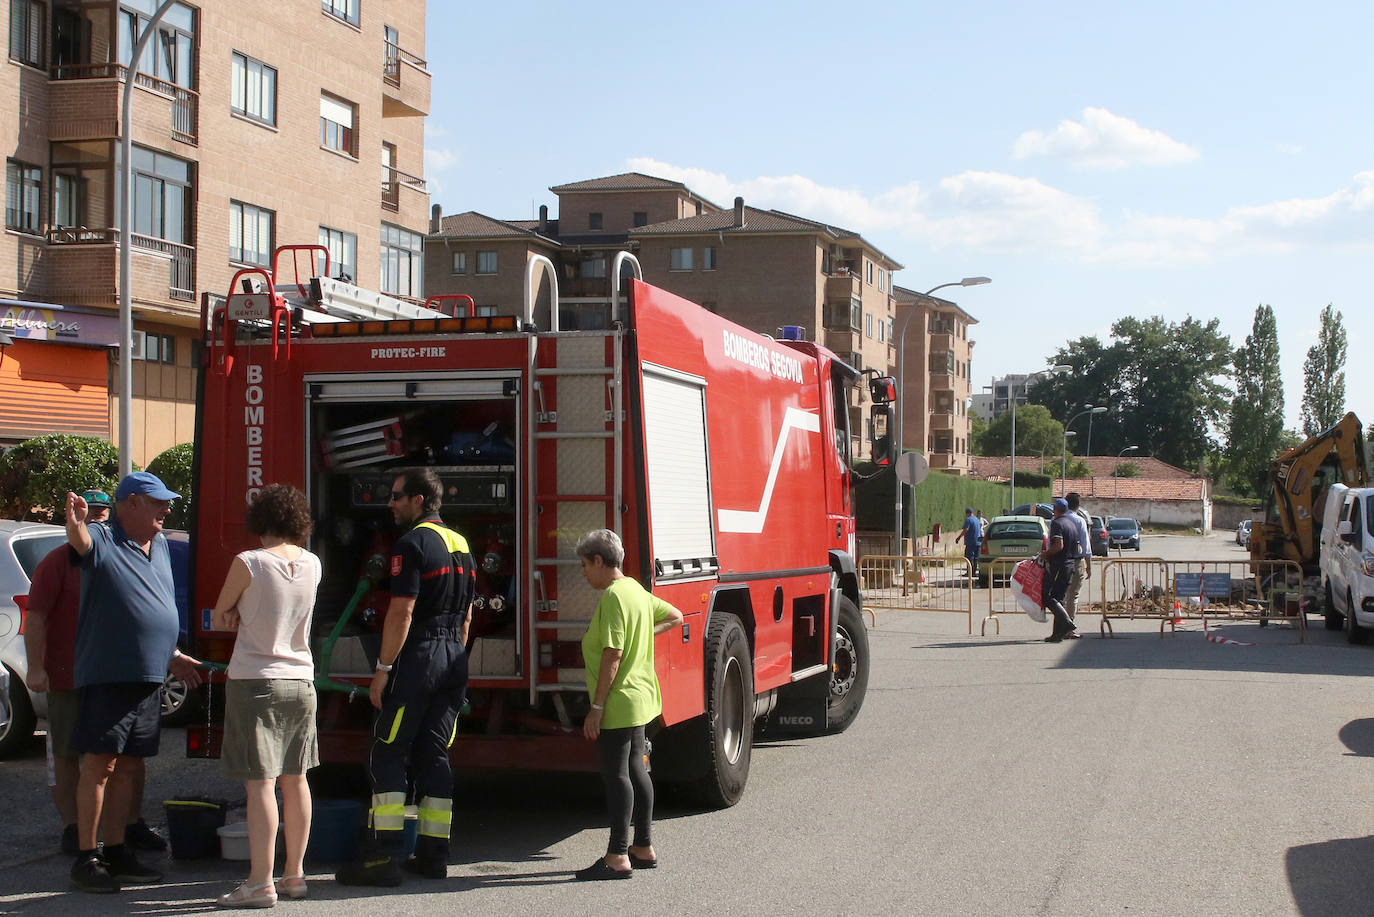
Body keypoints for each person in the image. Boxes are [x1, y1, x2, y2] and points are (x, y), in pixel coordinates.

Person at [64, 473, 204, 894]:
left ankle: (119, 850)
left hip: (149, 675)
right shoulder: (103, 538)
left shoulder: (158, 544)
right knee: (100, 765)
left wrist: (172, 655)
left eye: (166, 502)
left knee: (130, 765)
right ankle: (87, 858)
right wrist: (76, 522)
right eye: (157, 501)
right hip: (109, 674)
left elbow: (152, 605)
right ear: (129, 504)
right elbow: (80, 543)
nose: (166, 509)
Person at [337, 468, 474, 887]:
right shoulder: (461, 543)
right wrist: (456, 656)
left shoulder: (411, 543)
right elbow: (468, 614)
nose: (390, 503)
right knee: (434, 755)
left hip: (418, 657)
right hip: (453, 657)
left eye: (397, 497)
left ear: (419, 500)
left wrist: (381, 671)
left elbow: (402, 611)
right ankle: (433, 856)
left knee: (389, 751)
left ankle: (381, 857)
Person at [24, 490, 167, 858]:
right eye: (94, 514)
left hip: (121, 673)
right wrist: (37, 667)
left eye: (103, 512)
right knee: (74, 755)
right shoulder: (60, 561)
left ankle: (128, 827)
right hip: (70, 673)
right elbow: (36, 616)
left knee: (127, 759)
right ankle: (75, 830)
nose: (99, 520)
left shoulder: (130, 553)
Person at [210, 484, 322, 907]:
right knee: (297, 779)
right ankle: (295, 875)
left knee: (260, 783)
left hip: (255, 680)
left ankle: (260, 881)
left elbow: (222, 616)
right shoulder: (313, 563)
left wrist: (240, 614)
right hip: (302, 680)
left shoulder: (249, 562)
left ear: (260, 521)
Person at [574, 529, 684, 881]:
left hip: (619, 702)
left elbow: (613, 654)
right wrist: (644, 635)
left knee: (616, 774)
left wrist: (597, 706)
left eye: (584, 565)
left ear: (599, 561)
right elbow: (676, 616)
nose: (583, 572)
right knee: (638, 770)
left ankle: (618, 854)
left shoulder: (614, 597)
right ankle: (643, 846)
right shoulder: (636, 589)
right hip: (642, 698)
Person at [1036, 498, 1082, 642]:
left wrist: (1045, 554)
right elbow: (1078, 547)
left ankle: (1067, 623)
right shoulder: (1072, 523)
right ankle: (1057, 634)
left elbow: (1058, 545)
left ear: (1055, 509)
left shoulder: (1057, 523)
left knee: (1047, 596)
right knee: (1059, 598)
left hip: (1058, 565)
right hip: (1070, 565)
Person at [1062, 492, 1093, 621]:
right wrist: (1089, 566)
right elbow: (1085, 546)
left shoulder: (1057, 520)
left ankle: (1060, 625)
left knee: (1061, 596)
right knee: (1073, 596)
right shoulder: (1080, 521)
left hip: (1060, 561)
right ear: (1078, 506)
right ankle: (1069, 626)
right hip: (1076, 561)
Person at [953, 507, 983, 582]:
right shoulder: (976, 519)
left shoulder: (968, 520)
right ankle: (974, 572)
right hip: (978, 542)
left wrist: (958, 537)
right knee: (976, 558)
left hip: (970, 542)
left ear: (968, 513)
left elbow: (966, 529)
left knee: (968, 557)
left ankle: (969, 572)